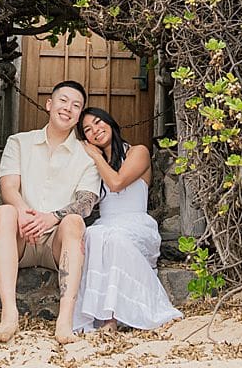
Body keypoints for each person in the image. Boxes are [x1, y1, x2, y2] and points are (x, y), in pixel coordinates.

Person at [0, 80, 101, 344]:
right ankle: (9, 315)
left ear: (79, 115)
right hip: (22, 235)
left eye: (76, 106)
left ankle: (64, 321)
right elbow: (8, 186)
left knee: (74, 221)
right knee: (5, 212)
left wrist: (50, 218)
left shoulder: (87, 157)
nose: (68, 108)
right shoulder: (19, 142)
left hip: (56, 242)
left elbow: (86, 202)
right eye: (63, 101)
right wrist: (25, 213)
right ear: (49, 104)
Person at [72, 107, 182, 333]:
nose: (95, 130)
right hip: (106, 225)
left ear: (109, 122)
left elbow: (117, 183)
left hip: (136, 224)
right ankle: (102, 317)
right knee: (93, 234)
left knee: (112, 239)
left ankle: (110, 318)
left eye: (98, 122)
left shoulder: (137, 152)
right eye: (88, 130)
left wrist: (94, 156)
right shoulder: (94, 166)